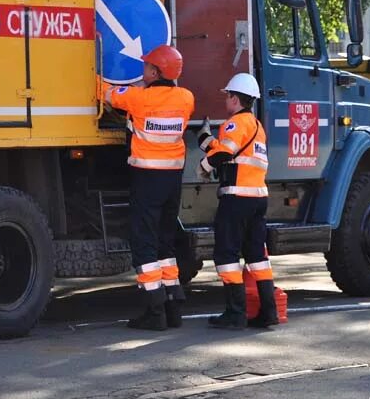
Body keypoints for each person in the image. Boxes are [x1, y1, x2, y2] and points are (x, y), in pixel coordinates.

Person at [100, 45, 194, 330]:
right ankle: (173, 306)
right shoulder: (186, 98)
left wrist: (95, 77)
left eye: (147, 67)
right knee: (165, 243)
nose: (143, 70)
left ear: (155, 71)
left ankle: (155, 313)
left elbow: (108, 95)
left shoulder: (139, 98)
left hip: (147, 178)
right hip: (172, 180)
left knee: (144, 244)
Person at [197, 73, 279, 330]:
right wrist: (206, 142)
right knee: (257, 257)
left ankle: (235, 313)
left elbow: (224, 152)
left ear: (235, 98)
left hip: (236, 198)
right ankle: (269, 312)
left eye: (227, 96)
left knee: (226, 254)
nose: (226, 101)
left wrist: (204, 164)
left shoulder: (234, 124)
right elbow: (231, 151)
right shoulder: (256, 126)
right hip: (257, 198)